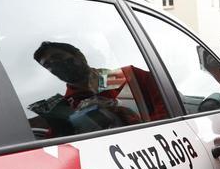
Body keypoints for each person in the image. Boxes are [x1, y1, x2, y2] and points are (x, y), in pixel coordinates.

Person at [31, 41, 167, 135]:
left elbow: (168, 111)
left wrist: (126, 116)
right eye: (48, 64)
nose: (55, 65)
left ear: (79, 56)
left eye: (58, 57)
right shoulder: (65, 108)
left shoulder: (130, 76)